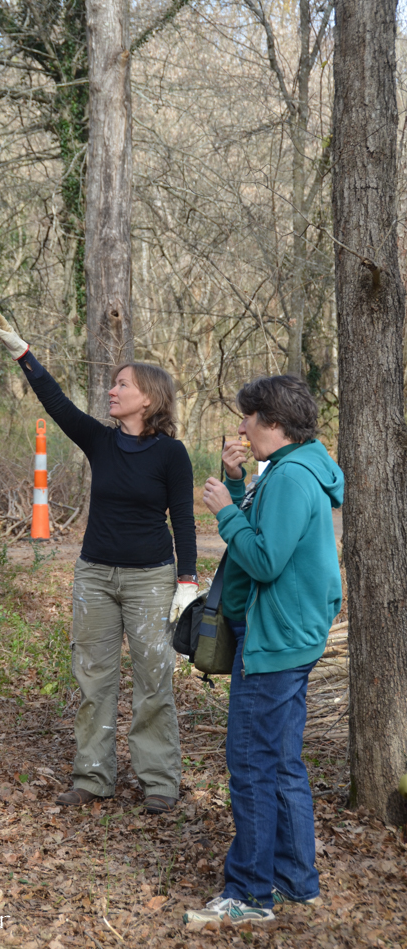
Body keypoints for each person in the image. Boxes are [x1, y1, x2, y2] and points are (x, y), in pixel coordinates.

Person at [0, 309, 198, 813]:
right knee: (93, 680)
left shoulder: (172, 454)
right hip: (95, 576)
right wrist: (24, 353)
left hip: (151, 580)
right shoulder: (100, 441)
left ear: (147, 397)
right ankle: (93, 776)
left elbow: (185, 521)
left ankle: (160, 782)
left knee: (153, 681)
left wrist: (187, 581)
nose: (111, 391)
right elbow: (56, 402)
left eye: (121, 385)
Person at [184, 374, 344, 926]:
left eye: (248, 418)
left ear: (273, 423)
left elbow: (265, 560)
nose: (242, 427)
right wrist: (237, 481)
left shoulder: (292, 479)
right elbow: (275, 539)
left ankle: (250, 894)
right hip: (288, 633)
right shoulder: (292, 469)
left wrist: (224, 510)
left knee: (251, 764)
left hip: (275, 639)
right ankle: (297, 880)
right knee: (280, 762)